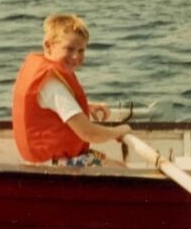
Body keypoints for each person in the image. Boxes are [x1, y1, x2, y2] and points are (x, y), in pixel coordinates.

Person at [12, 14, 131, 166]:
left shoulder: (47, 78)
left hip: (48, 162)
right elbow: (88, 133)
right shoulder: (53, 86)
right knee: (121, 170)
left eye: (81, 51)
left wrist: (86, 107)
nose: (76, 56)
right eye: (69, 49)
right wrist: (119, 131)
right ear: (48, 46)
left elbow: (52, 107)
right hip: (57, 166)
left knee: (115, 165)